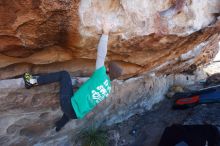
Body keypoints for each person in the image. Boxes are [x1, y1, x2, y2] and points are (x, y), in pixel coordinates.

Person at [23, 24, 122, 132]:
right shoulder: (107, 89)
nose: (106, 66)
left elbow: (101, 55)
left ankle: (31, 81)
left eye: (107, 66)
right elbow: (93, 89)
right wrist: (83, 82)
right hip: (77, 114)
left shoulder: (101, 73)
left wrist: (105, 34)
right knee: (69, 113)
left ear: (107, 70)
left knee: (64, 75)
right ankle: (58, 127)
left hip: (69, 105)